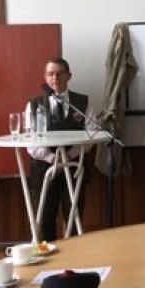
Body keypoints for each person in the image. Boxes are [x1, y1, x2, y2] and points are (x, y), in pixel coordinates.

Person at [26, 57, 94, 242]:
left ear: (68, 76)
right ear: (45, 77)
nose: (54, 78)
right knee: (44, 221)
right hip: (43, 169)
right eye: (50, 74)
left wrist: (68, 157)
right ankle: (47, 257)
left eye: (59, 74)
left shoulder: (83, 102)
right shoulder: (34, 104)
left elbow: (91, 136)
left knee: (74, 218)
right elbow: (31, 141)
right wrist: (52, 159)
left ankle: (74, 256)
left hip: (73, 168)